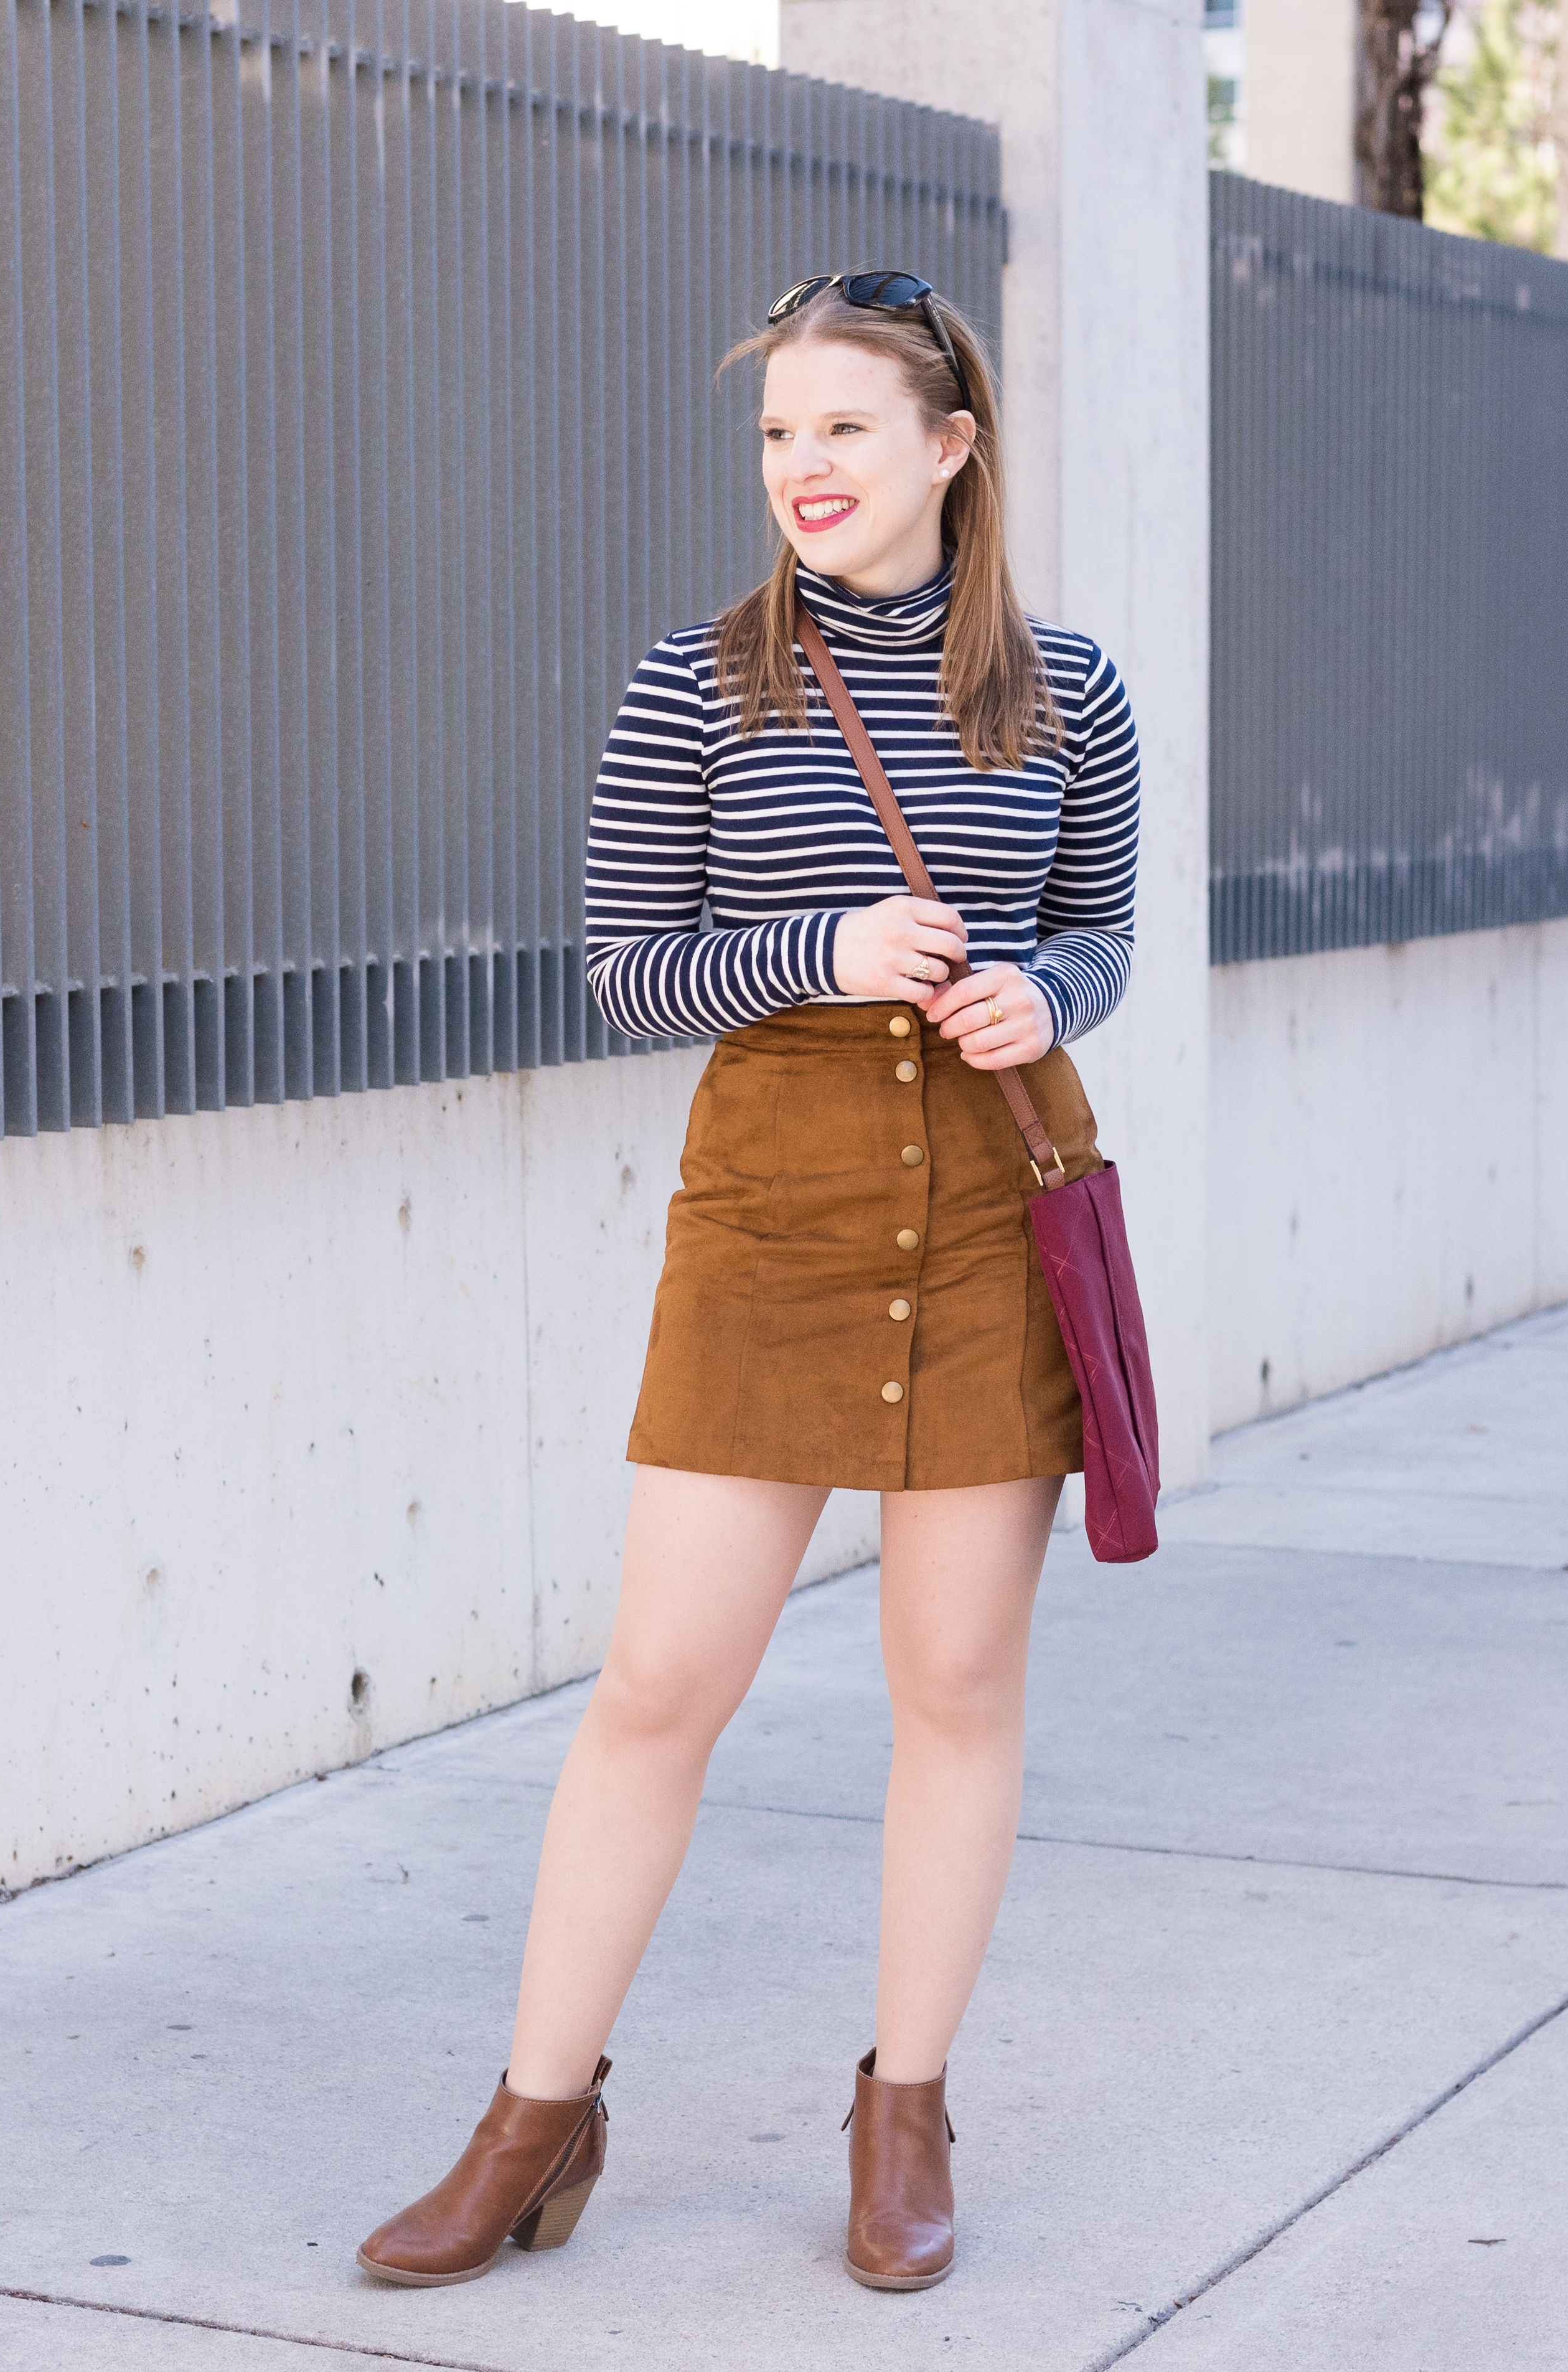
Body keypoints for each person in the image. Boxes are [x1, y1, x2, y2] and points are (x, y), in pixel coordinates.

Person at [355, 271, 1141, 2295]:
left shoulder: (1072, 695)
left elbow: (1100, 936)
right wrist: (819, 947)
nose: (801, 467)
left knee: (953, 1686)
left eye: (843, 430)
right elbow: (624, 972)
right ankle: (533, 2115)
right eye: (778, 433)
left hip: (981, 1210)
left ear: (950, 448)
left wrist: (1030, 991)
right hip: (773, 1213)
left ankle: (903, 2110)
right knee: (657, 1685)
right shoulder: (692, 680)